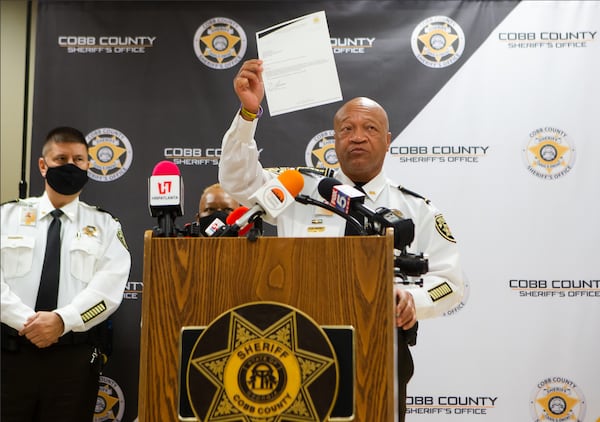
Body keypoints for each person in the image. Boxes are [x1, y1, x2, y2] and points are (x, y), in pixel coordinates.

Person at [218, 59, 464, 421]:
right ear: (334, 140)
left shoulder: (415, 208)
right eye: (347, 129)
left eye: (370, 128)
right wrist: (248, 114)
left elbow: (450, 282)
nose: (358, 136)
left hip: (379, 350)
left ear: (388, 140)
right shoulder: (299, 188)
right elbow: (237, 182)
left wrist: (412, 300)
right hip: (295, 345)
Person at [1, 126, 131, 421]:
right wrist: (29, 323)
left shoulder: (106, 226)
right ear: (43, 165)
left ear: (88, 165)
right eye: (61, 159)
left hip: (72, 362)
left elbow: (108, 291)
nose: (71, 166)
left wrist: (61, 321)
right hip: (8, 357)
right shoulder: (5, 217)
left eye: (79, 159)